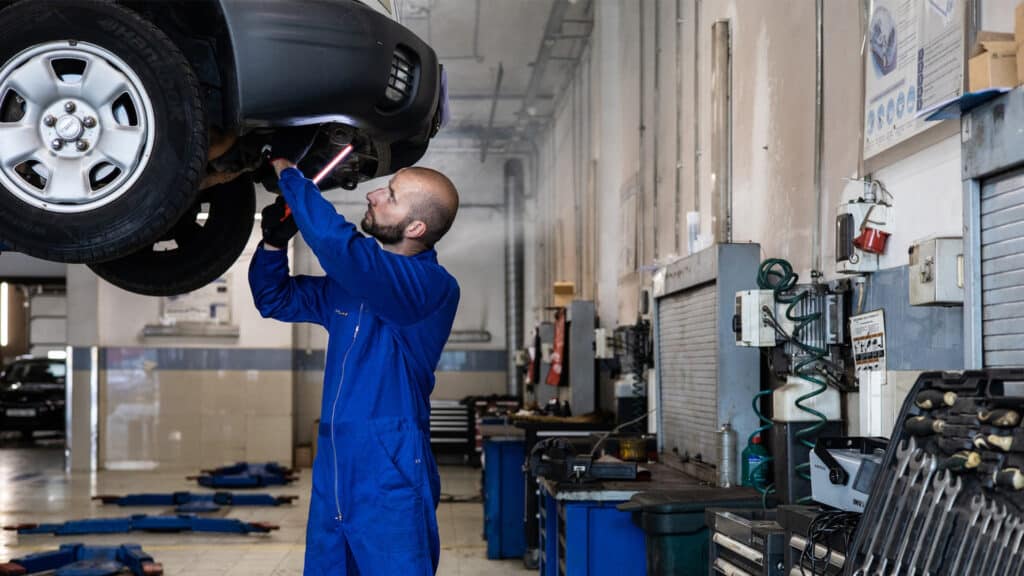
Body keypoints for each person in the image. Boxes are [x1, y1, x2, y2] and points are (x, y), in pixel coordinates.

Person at [248, 130, 460, 575]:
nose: (374, 193)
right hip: (336, 467)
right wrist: (272, 242)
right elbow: (275, 299)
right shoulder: (353, 286)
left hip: (390, 467)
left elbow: (341, 249)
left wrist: (289, 172)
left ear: (416, 227)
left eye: (391, 194)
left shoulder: (430, 288)